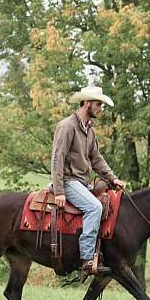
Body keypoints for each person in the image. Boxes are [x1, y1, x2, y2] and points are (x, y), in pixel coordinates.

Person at [51, 86, 125, 275]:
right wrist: (59, 191)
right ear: (87, 103)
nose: (101, 108)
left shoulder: (89, 130)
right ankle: (86, 258)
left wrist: (112, 178)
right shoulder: (67, 126)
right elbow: (57, 158)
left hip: (82, 183)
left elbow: (96, 159)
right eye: (99, 104)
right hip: (68, 181)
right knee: (95, 207)